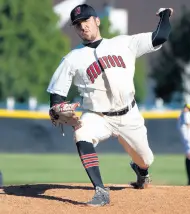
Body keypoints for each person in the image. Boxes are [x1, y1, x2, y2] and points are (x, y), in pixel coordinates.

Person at [46, 4, 173, 206]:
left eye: (86, 21)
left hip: (128, 114)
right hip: (97, 116)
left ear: (97, 20)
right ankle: (100, 191)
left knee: (145, 159)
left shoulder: (124, 43)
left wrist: (165, 15)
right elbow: (56, 94)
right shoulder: (71, 59)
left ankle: (141, 171)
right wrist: (56, 108)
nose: (83, 27)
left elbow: (160, 36)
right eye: (78, 24)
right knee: (81, 133)